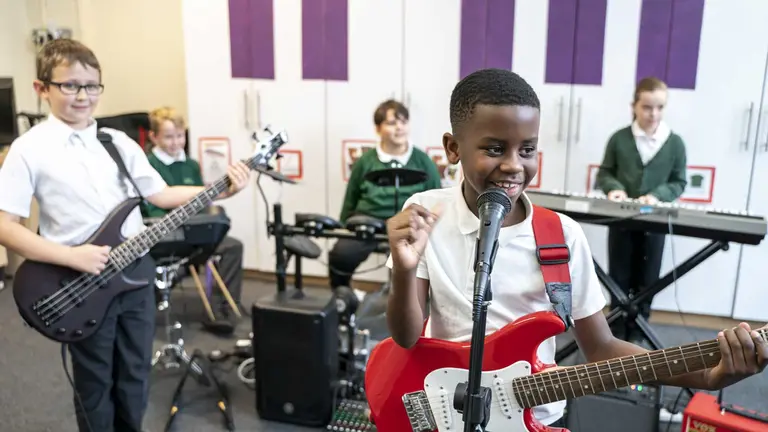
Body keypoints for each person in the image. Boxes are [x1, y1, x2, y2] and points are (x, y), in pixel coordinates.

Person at [384, 68, 767, 427]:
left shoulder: (560, 235)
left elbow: (600, 347)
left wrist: (706, 375)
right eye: (495, 148)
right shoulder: (426, 212)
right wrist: (403, 269)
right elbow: (406, 337)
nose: (514, 165)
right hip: (439, 403)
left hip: (533, 416)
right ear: (453, 148)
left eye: (527, 149)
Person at [0, 39, 252, 432]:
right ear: (41, 89)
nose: (83, 96)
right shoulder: (27, 150)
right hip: (79, 279)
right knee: (95, 382)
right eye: (70, 85)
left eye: (91, 86)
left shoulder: (117, 142)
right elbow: (5, 227)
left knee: (134, 376)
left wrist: (221, 188)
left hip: (135, 274)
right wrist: (72, 257)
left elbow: (160, 194)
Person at [596, 77, 687, 341]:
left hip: (655, 224)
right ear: (634, 106)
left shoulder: (675, 143)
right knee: (618, 276)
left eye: (659, 108)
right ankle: (614, 333)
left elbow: (678, 181)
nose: (653, 114)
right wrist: (613, 187)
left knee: (649, 280)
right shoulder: (619, 139)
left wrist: (657, 195)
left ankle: (639, 332)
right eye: (647, 107)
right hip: (622, 222)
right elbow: (605, 173)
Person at [141, 106, 245, 334]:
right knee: (173, 265)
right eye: (168, 137)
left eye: (180, 136)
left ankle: (223, 310)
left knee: (232, 247)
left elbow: (202, 204)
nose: (175, 142)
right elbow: (152, 207)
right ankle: (149, 307)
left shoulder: (191, 165)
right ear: (153, 137)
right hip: (166, 235)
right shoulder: (147, 165)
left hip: (195, 232)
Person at [329, 99, 441, 289]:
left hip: (410, 224)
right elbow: (351, 199)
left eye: (403, 122)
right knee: (341, 255)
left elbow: (436, 197)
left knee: (416, 268)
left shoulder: (423, 161)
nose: (399, 128)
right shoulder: (365, 161)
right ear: (378, 128)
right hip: (369, 223)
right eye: (391, 123)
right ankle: (344, 301)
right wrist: (344, 228)